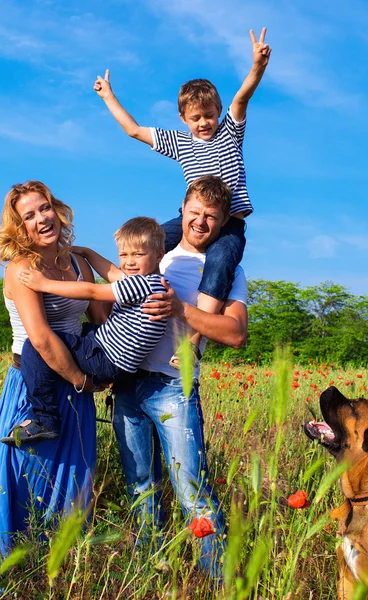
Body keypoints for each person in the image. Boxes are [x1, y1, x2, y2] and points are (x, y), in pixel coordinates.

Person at [0, 181, 105, 593]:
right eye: (30, 215)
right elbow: (39, 337)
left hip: (76, 392)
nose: (42, 219)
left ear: (57, 209)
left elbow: (101, 313)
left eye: (45, 209)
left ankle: (51, 578)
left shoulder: (77, 263)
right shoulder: (20, 270)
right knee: (24, 482)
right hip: (34, 389)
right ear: (19, 226)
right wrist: (80, 380)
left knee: (70, 483)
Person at [94, 27, 269, 366]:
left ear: (218, 111)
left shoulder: (229, 133)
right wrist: (108, 97)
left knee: (219, 265)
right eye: (195, 118)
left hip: (229, 222)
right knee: (150, 241)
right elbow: (134, 130)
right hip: (190, 217)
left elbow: (242, 98)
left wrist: (257, 67)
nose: (204, 123)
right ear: (182, 119)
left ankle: (195, 338)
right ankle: (127, 315)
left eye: (209, 115)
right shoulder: (181, 142)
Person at [111, 175, 248, 582]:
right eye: (194, 213)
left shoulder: (226, 271)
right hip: (128, 385)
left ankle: (221, 585)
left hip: (174, 387)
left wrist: (180, 310)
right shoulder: (157, 254)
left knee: (193, 494)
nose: (200, 222)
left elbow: (236, 334)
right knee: (141, 487)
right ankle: (149, 577)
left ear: (222, 222)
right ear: (182, 211)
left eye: (211, 217)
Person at [3, 217, 168, 445]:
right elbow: (111, 272)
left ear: (159, 255)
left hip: (106, 357)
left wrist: (44, 284)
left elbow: (91, 291)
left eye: (138, 255)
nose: (129, 262)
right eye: (124, 255)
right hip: (116, 358)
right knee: (85, 330)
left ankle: (45, 418)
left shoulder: (139, 285)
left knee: (34, 346)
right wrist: (89, 253)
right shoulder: (154, 282)